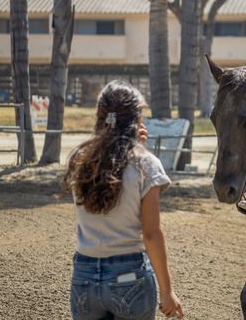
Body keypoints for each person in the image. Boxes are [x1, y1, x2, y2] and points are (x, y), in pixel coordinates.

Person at [63, 80, 184, 319]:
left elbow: (110, 163)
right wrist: (167, 291)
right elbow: (151, 234)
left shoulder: (80, 160)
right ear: (136, 119)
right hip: (129, 276)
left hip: (84, 276)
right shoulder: (145, 163)